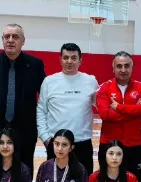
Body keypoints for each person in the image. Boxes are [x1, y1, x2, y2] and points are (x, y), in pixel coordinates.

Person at [0, 24, 46, 169]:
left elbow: (45, 98)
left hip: (25, 131)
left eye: (15, 37)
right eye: (7, 37)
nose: (10, 40)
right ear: (2, 40)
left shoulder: (35, 65)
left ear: (23, 40)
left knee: (24, 171)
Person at [37, 43, 99, 173]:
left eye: (73, 58)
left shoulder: (91, 81)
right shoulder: (49, 82)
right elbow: (41, 110)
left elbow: (101, 106)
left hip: (82, 144)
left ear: (80, 60)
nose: (69, 61)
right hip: (56, 144)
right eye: (65, 58)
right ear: (60, 60)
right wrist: (46, 138)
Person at [97, 51, 141, 181]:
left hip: (134, 145)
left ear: (132, 67)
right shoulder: (104, 88)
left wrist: (119, 107)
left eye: (127, 66)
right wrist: (134, 112)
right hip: (109, 145)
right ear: (113, 68)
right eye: (119, 66)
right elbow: (105, 114)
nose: (123, 70)